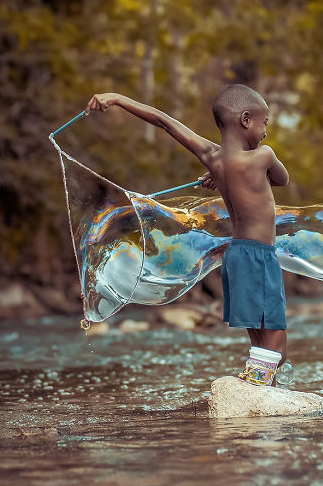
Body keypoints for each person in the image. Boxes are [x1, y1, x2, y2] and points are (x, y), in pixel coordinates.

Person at [85, 85, 290, 378]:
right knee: (278, 349)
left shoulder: (214, 159)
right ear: (246, 119)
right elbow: (282, 179)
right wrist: (255, 156)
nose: (266, 132)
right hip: (260, 256)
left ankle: (257, 388)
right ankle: (254, 386)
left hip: (236, 257)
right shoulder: (264, 155)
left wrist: (118, 99)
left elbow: (164, 121)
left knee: (260, 342)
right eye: (264, 123)